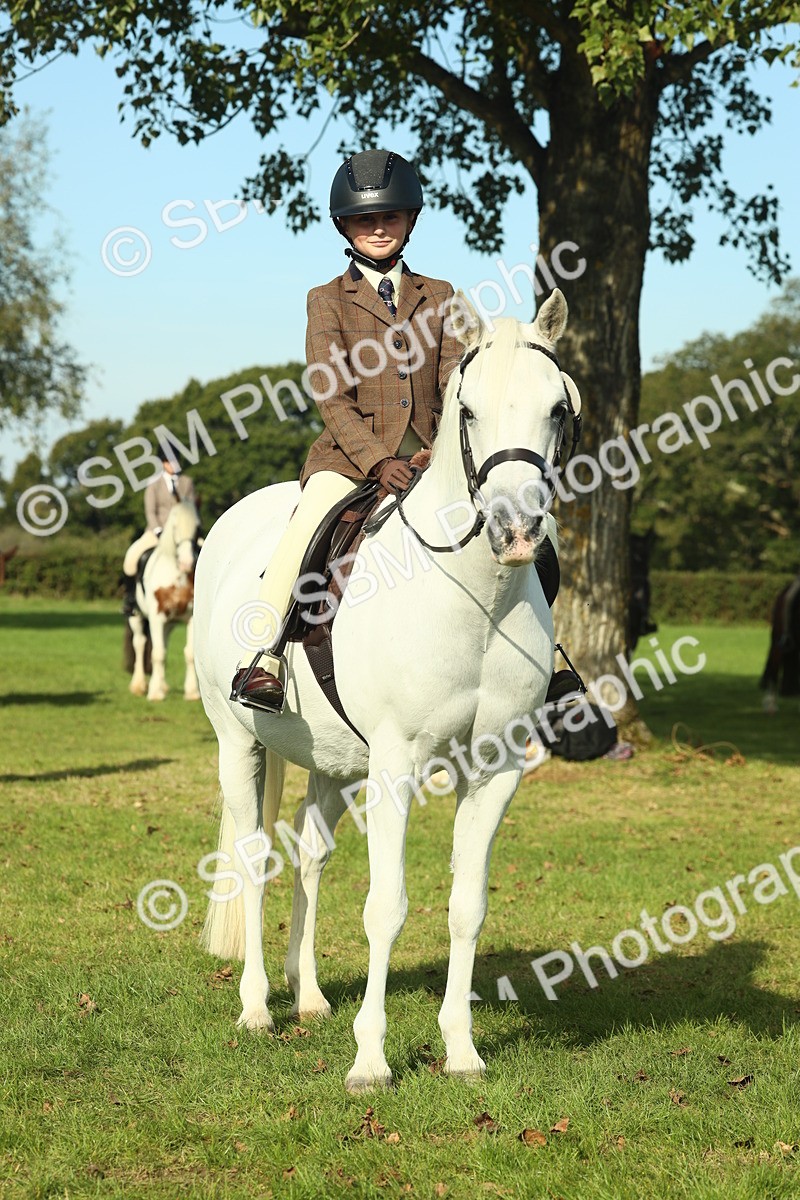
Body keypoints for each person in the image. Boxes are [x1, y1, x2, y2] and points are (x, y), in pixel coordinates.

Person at [231, 148, 462, 711]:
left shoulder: (442, 295)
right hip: (349, 458)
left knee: (520, 514)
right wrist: (378, 459)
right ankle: (263, 657)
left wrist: (438, 450)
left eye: (389, 217)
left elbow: (457, 381)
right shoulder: (327, 300)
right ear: (345, 226)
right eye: (365, 219)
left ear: (410, 220)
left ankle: (550, 656)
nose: (378, 228)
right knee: (305, 532)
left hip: (434, 457)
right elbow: (330, 395)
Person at [121, 456, 196, 615]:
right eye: (170, 461)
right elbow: (150, 511)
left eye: (176, 461)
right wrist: (158, 530)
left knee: (205, 553)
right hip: (156, 532)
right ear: (163, 463)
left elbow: (191, 509)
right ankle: (131, 599)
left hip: (182, 535)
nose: (174, 465)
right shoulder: (153, 484)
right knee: (131, 559)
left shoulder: (186, 482)